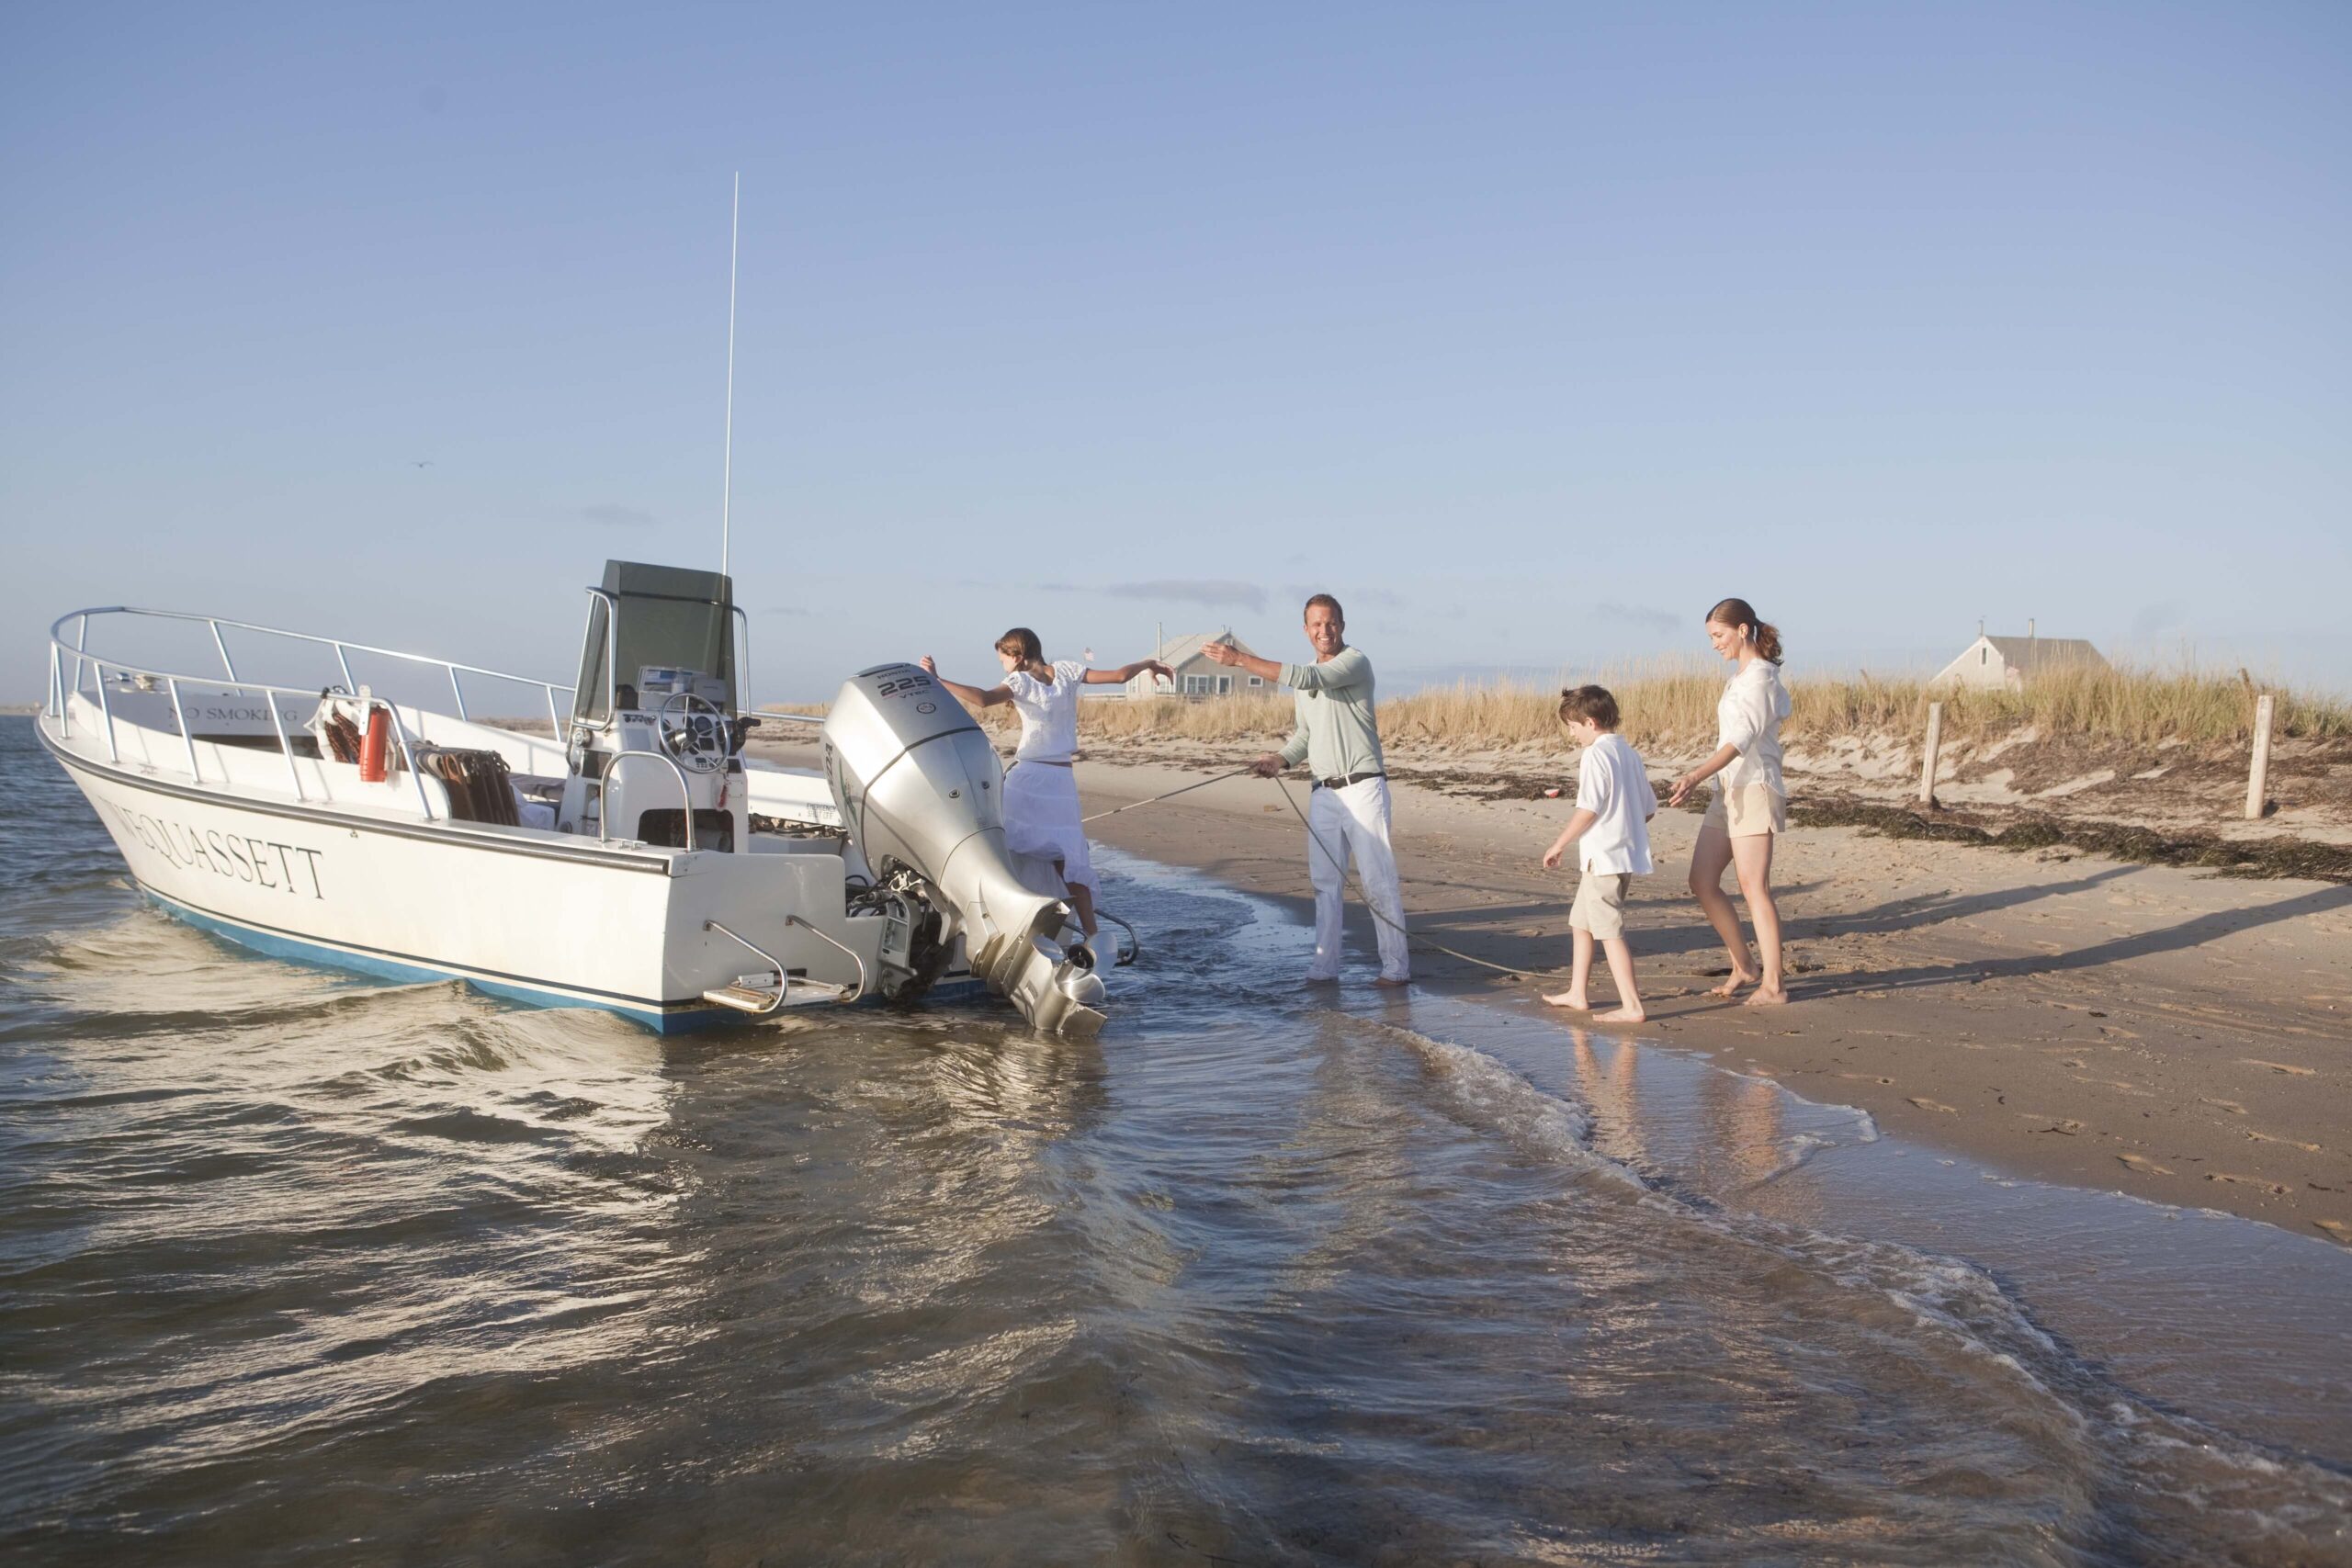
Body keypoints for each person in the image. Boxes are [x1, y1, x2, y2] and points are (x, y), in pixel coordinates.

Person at [922, 632, 1172, 958]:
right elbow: (1122, 676)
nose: (1003, 665)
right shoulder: (1066, 671)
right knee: (1068, 860)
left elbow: (982, 699)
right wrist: (1148, 663)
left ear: (1017, 655)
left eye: (1003, 659)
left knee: (995, 839)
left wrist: (938, 680)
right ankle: (1092, 938)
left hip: (1028, 779)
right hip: (1061, 780)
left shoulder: (1020, 681)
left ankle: (986, 915)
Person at [1204, 594, 1408, 987]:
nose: (1324, 631)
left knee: (1377, 881)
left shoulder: (1355, 662)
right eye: (1316, 624)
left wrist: (1241, 660)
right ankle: (1325, 967)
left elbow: (1309, 678)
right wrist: (1279, 760)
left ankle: (1396, 969)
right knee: (1325, 884)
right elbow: (1305, 736)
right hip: (1323, 794)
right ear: (1306, 630)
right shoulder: (1304, 677)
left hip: (1363, 786)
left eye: (1330, 623)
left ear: (1342, 626)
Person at [1666, 597, 1792, 1006]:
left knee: (1754, 887)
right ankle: (1745, 966)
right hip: (1728, 791)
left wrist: (1694, 775)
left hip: (1755, 789)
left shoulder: (1761, 678)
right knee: (1702, 880)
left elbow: (1740, 741)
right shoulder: (1739, 677)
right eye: (1710, 637)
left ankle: (1774, 985)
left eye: (1718, 635)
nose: (1714, 644)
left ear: (1742, 630)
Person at [1539, 684, 1657, 1022]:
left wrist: (1559, 844)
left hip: (1604, 858)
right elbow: (1649, 808)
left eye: (1573, 727)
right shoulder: (1629, 753)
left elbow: (1588, 809)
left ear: (1590, 723)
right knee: (1581, 922)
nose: (1572, 734)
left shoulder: (1595, 754)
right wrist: (1625, 823)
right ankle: (1578, 992)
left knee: (1609, 930)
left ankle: (1632, 1006)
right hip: (1621, 855)